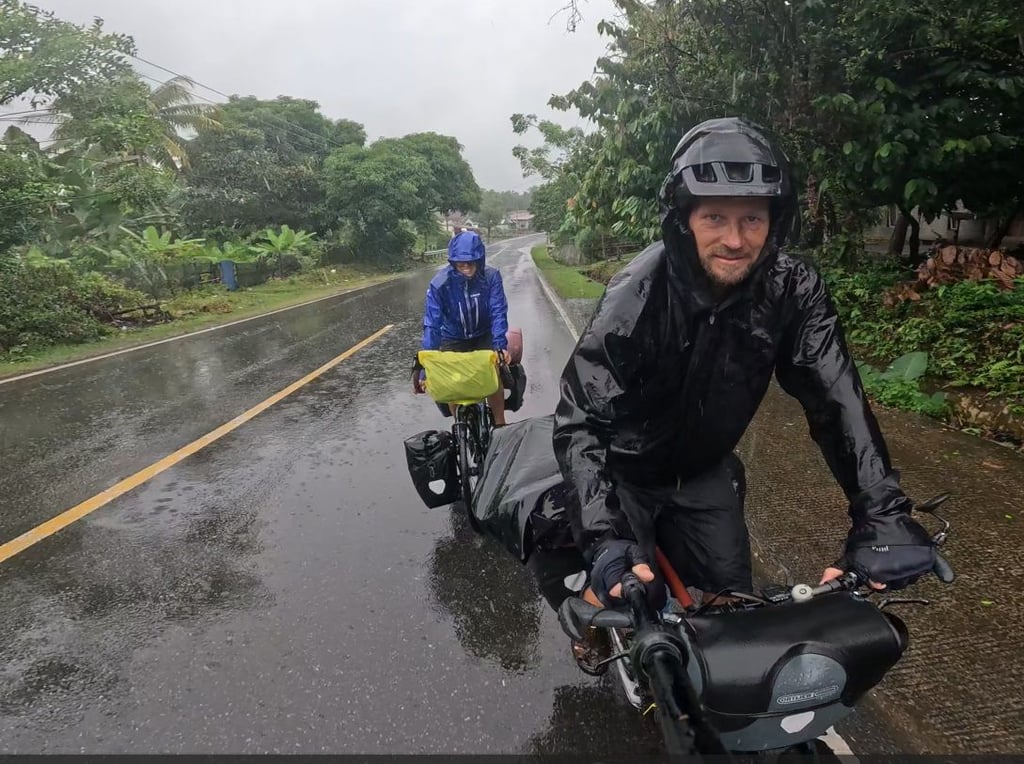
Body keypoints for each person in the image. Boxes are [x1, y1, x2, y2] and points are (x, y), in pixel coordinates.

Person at [547, 117, 938, 670]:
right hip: (624, 472)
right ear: (684, 221)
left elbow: (835, 398)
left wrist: (882, 512)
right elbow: (579, 420)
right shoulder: (637, 294)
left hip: (705, 471)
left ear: (774, 222)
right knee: (618, 592)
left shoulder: (793, 288)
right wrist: (606, 539)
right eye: (715, 218)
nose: (734, 239)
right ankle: (586, 618)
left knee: (736, 611)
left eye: (752, 217)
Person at [414, 230, 512, 426]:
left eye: (471, 262)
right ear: (453, 262)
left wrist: (500, 346)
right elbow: (432, 324)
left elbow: (497, 312)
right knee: (452, 380)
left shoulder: (491, 277)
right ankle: (459, 427)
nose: (466, 267)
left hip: (484, 334)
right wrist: (426, 367)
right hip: (453, 337)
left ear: (480, 260)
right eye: (461, 263)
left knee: (494, 375)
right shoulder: (440, 284)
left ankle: (501, 424)